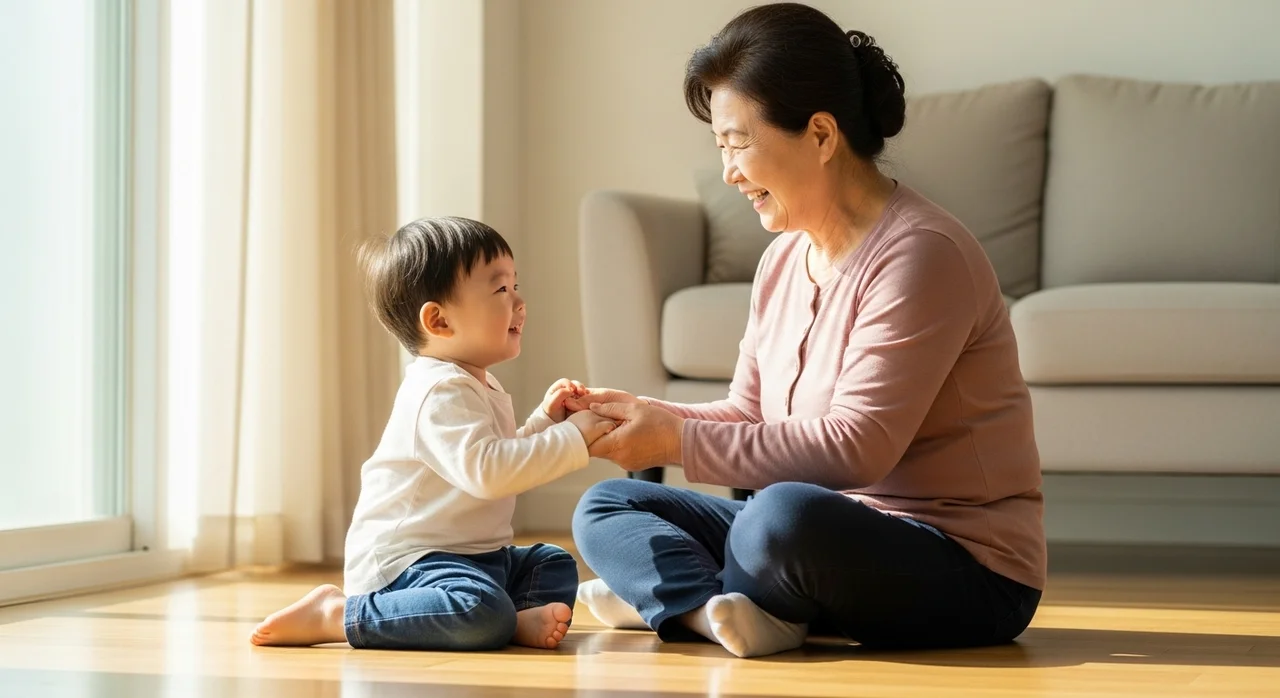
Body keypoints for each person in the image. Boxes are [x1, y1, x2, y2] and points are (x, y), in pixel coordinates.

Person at [568, 2, 1046, 658]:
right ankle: (715, 610)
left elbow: (858, 449)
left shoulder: (921, 253)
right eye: (721, 147)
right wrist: (642, 415)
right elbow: (748, 412)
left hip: (966, 570)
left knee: (778, 519)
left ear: (821, 135)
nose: (730, 171)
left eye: (739, 142)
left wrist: (677, 439)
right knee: (606, 507)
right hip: (825, 539)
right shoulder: (784, 258)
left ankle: (673, 596)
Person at [249, 217, 615, 651]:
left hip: (475, 557)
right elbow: (489, 473)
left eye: (516, 286)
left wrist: (545, 420)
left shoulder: (475, 382)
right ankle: (340, 614)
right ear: (439, 320)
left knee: (551, 563)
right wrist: (574, 436)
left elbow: (500, 454)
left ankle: (508, 619)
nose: (519, 302)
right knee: (477, 609)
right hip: (410, 565)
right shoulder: (439, 391)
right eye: (501, 290)